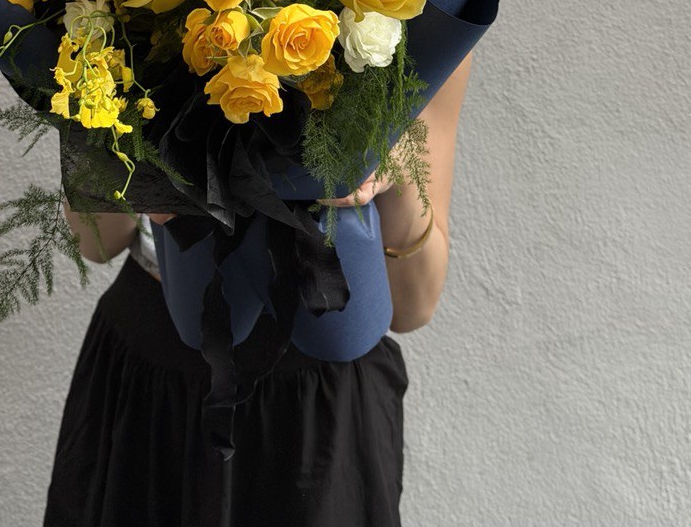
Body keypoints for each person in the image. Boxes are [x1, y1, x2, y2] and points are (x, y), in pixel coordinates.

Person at [43, 51, 473, 527]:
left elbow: (414, 307)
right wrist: (127, 153)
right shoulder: (133, 2)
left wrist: (394, 171)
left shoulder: (411, 15)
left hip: (326, 399)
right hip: (155, 377)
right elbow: (96, 241)